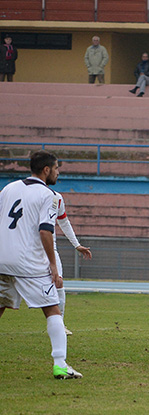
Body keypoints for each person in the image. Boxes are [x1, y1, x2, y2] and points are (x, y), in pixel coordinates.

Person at [0, 151, 82, 379]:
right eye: (56, 169)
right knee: (53, 309)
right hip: (28, 264)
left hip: (2, 260)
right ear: (46, 170)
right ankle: (60, 364)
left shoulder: (9, 189)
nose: (58, 172)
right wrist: (53, 266)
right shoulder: (48, 195)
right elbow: (46, 230)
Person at [51, 190, 92, 335]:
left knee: (59, 284)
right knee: (7, 290)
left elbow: (64, 221)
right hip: (23, 250)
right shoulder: (19, 191)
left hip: (49, 249)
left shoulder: (56, 198)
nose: (58, 172)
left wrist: (76, 244)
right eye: (56, 168)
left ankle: (59, 325)